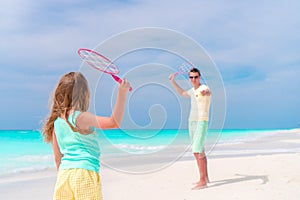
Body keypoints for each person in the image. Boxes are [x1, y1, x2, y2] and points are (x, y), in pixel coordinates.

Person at [42, 72, 131, 199]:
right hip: (84, 173)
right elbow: (113, 122)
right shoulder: (81, 117)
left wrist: (64, 176)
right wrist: (121, 94)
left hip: (64, 176)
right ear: (84, 94)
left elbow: (58, 159)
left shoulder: (56, 122)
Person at [169, 67, 211, 189]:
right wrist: (172, 82)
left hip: (201, 122)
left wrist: (205, 93)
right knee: (200, 150)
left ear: (199, 77)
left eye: (196, 77)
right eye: (191, 77)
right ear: (189, 78)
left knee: (196, 151)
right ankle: (206, 177)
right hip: (191, 122)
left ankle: (202, 180)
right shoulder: (192, 91)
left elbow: (208, 92)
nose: (193, 79)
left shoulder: (204, 88)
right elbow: (182, 93)